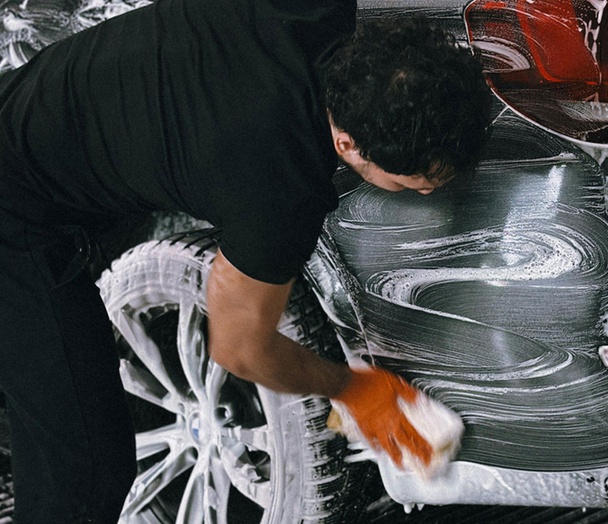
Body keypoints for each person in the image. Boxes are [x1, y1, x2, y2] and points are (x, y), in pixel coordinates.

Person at [0, 0, 493, 520]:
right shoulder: (278, 186)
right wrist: (352, 388)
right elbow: (239, 348)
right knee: (87, 469)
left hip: (27, 117)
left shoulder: (318, 14)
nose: (422, 197)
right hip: (14, 218)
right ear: (346, 144)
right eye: (409, 184)